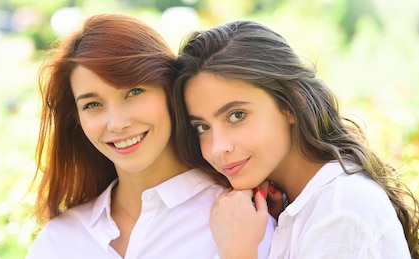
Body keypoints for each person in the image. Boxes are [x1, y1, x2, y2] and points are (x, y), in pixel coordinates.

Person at [26, 14, 276, 258]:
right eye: (92, 105)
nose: (117, 123)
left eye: (134, 91)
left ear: (169, 90)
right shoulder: (59, 240)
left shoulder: (242, 222)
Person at [171, 19, 419, 258]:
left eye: (237, 115)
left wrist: (237, 254)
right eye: (202, 127)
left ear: (291, 104)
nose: (218, 147)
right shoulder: (294, 205)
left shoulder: (341, 210)